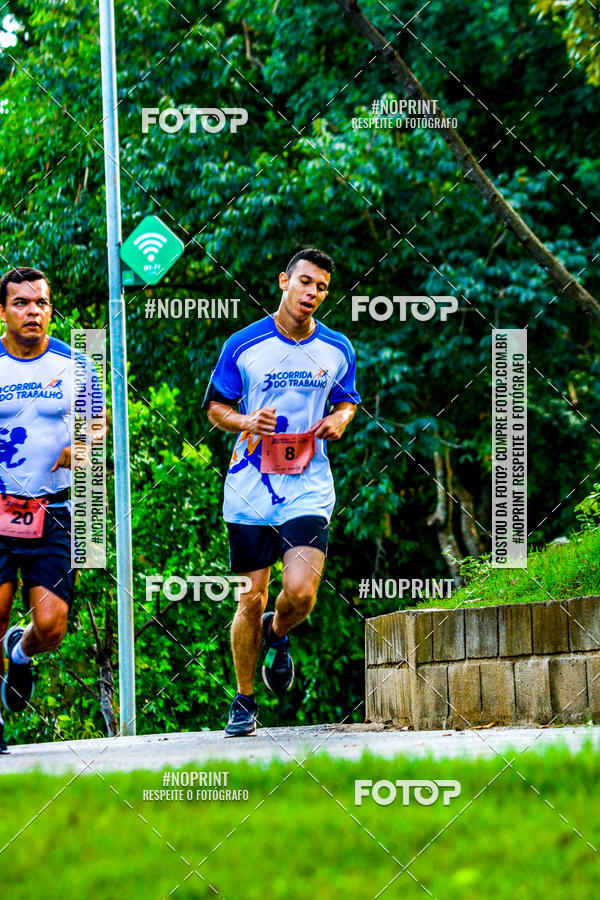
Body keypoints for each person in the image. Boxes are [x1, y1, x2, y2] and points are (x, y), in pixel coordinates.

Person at [203, 248, 360, 737]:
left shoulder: (336, 348)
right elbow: (214, 408)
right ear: (283, 282)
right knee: (250, 598)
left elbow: (347, 401)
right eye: (305, 283)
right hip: (250, 488)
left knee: (301, 592)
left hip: (307, 488)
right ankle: (245, 699)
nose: (312, 294)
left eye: (321, 288)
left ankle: (278, 631)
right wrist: (246, 419)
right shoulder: (244, 344)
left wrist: (339, 420)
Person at [0, 267, 107, 751]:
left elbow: (98, 423)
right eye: (21, 303)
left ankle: (20, 655)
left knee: (52, 625)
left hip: (55, 510)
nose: (33, 312)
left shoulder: (77, 364)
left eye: (41, 303)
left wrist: (83, 444)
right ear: (2, 311)